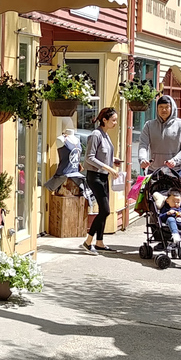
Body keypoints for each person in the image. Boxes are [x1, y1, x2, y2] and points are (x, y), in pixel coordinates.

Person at [82, 107, 121, 255]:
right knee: (105, 210)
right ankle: (88, 241)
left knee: (104, 211)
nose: (115, 123)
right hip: (95, 176)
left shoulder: (105, 134)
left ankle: (100, 242)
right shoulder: (96, 135)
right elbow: (89, 157)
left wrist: (113, 160)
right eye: (113, 120)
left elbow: (102, 155)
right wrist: (109, 168)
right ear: (104, 120)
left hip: (103, 176)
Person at [139, 95, 181, 177]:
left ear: (172, 108)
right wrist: (142, 159)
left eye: (167, 107)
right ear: (157, 109)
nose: (163, 110)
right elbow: (143, 145)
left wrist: (175, 161)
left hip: (176, 172)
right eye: (161, 107)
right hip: (154, 172)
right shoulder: (149, 125)